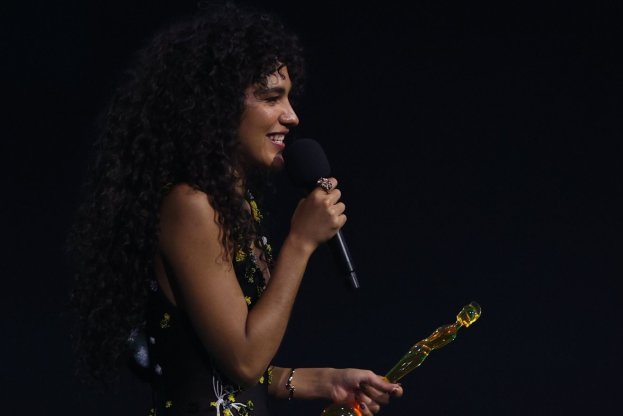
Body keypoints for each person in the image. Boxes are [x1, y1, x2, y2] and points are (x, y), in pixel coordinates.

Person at [69, 2, 402, 415]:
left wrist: (325, 380)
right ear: (219, 105)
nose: (292, 116)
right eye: (271, 97)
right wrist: (300, 242)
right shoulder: (189, 206)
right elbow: (244, 361)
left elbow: (223, 367)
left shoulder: (234, 206)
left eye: (289, 98)